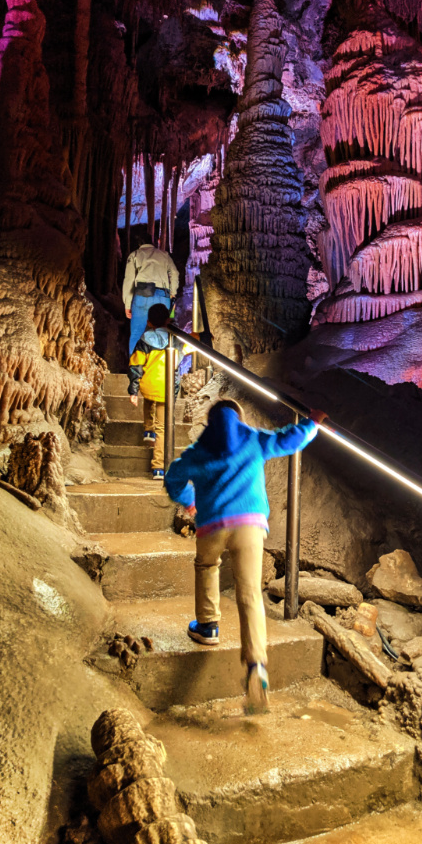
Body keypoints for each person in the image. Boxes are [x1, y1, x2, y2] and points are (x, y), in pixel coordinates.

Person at [164, 399, 326, 712]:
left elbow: (173, 478)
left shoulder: (199, 449)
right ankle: (256, 666)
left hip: (211, 524)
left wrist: (190, 500)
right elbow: (287, 440)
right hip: (249, 524)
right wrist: (312, 424)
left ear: (211, 422)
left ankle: (208, 626)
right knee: (250, 592)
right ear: (239, 418)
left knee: (206, 566)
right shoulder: (252, 438)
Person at [128, 303, 187, 481]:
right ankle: (159, 468)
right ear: (167, 320)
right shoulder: (175, 339)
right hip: (167, 388)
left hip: (148, 384)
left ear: (148, 322)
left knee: (148, 396)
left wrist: (133, 389)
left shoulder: (145, 339)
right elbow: (186, 351)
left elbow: (136, 365)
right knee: (163, 428)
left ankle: (148, 430)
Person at [123, 242, 180, 356]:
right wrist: (173, 293)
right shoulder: (164, 255)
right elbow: (174, 273)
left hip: (142, 295)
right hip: (163, 296)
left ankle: (136, 368)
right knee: (163, 330)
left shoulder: (135, 254)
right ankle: (163, 364)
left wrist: (127, 304)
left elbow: (129, 280)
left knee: (137, 333)